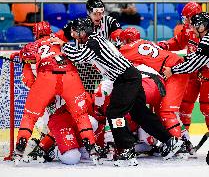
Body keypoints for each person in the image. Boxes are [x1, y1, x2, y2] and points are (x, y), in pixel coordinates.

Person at [50, 18, 184, 167]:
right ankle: (169, 140)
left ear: (83, 31)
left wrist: (62, 45)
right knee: (139, 113)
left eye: (75, 32)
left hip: (126, 79)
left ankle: (126, 151)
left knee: (114, 113)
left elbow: (78, 57)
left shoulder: (93, 42)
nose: (73, 35)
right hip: (131, 76)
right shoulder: (96, 40)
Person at [14, 21, 100, 165]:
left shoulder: (29, 47)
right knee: (82, 116)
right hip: (70, 76)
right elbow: (69, 32)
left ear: (35, 34)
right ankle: (91, 148)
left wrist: (40, 91)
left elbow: (27, 78)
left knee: (30, 116)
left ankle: (20, 148)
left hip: (46, 78)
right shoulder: (58, 37)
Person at [158, 2, 209, 149]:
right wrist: (165, 45)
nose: (186, 23)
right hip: (192, 73)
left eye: (187, 19)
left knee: (208, 108)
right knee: (184, 107)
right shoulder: (188, 29)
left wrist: (174, 70)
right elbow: (178, 42)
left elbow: (202, 59)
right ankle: (183, 140)